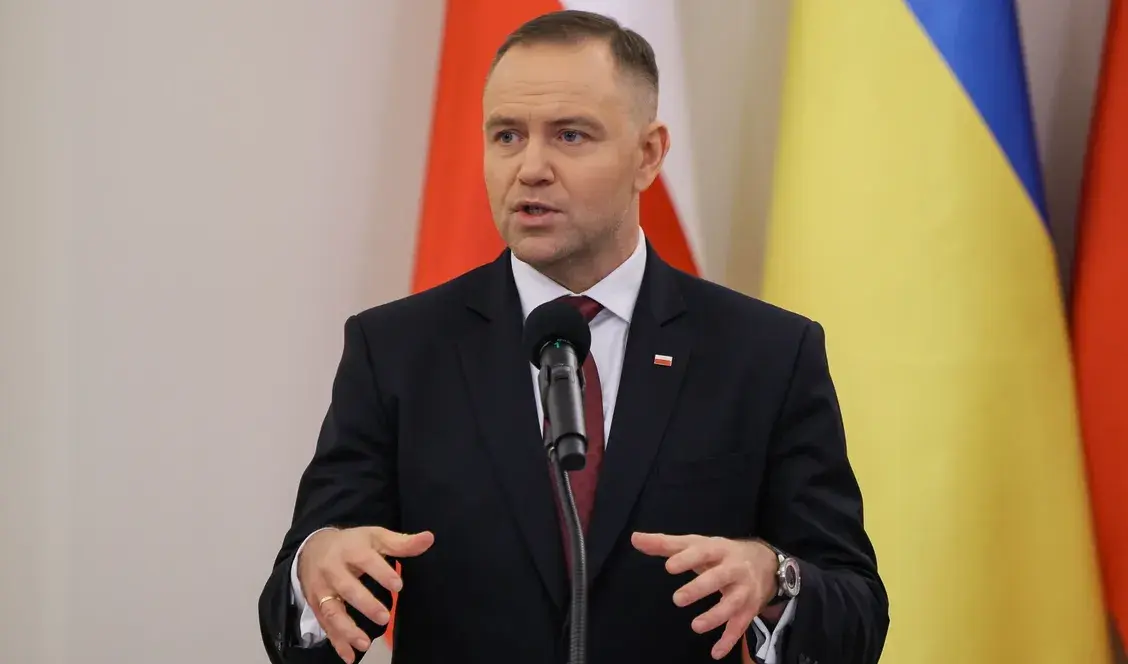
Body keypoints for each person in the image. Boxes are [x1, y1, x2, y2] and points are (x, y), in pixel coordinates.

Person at [258, 9, 888, 664]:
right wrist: (315, 572)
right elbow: (293, 620)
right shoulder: (396, 350)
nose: (530, 167)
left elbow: (857, 616)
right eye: (507, 135)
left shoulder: (766, 354)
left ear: (648, 155)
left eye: (570, 135)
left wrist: (774, 577)